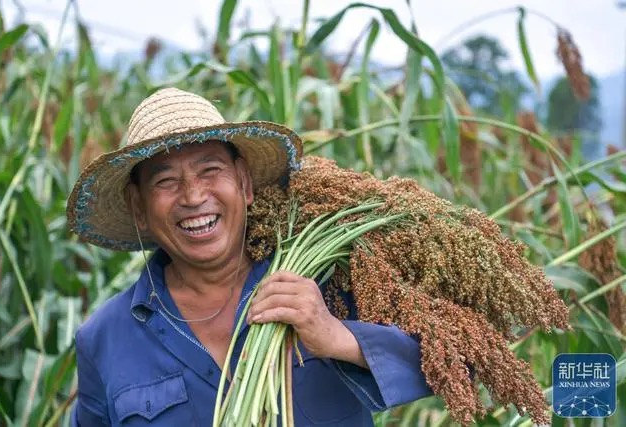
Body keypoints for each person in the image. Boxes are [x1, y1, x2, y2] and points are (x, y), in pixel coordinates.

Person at [67, 87, 432, 426]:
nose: (194, 197)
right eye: (166, 182)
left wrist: (340, 337)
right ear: (139, 207)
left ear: (244, 183)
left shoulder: (327, 280)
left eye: (210, 170)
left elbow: (460, 360)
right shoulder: (103, 338)